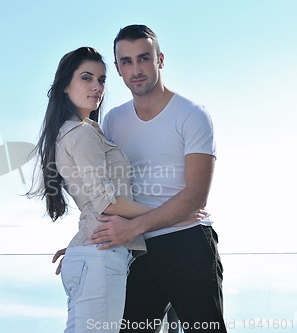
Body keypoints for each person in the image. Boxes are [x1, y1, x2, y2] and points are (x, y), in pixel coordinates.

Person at [89, 25, 227, 332]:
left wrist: (133, 227)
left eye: (144, 58)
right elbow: (104, 191)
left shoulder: (192, 115)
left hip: (188, 243)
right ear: (118, 69)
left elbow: (195, 196)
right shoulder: (113, 120)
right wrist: (82, 244)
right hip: (136, 252)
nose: (136, 70)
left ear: (160, 59)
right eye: (126, 61)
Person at [28, 46, 157, 333]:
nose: (97, 87)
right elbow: (105, 202)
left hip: (90, 254)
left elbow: (91, 201)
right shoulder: (82, 132)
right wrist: (168, 213)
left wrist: (80, 243)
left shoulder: (80, 130)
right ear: (64, 86)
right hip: (100, 257)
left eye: (101, 80)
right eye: (86, 78)